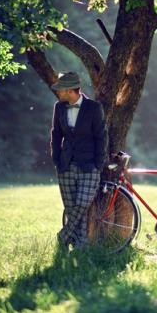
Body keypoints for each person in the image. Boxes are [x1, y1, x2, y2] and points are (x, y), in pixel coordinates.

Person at [50, 72, 108, 250]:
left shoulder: (93, 108)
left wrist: (98, 164)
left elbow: (101, 136)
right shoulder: (59, 107)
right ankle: (80, 246)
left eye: (61, 90)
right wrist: (57, 160)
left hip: (89, 165)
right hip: (66, 164)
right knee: (71, 207)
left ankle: (63, 235)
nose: (58, 93)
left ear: (69, 91)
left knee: (82, 203)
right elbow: (56, 134)